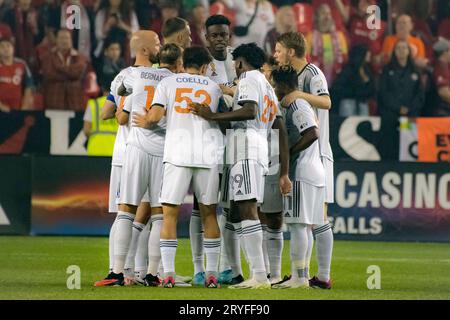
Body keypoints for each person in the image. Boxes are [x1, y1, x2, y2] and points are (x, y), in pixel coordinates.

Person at [191, 43, 291, 289]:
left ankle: (258, 275)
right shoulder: (267, 85)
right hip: (258, 149)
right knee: (243, 209)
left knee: (247, 209)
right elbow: (279, 128)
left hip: (246, 148)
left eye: (235, 64)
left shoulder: (247, 79)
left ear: (239, 63)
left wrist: (211, 116)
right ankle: (260, 272)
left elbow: (248, 111)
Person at [135, 46, 224, 288]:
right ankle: (212, 274)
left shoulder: (169, 83)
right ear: (205, 67)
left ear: (184, 62)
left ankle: (170, 274)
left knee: (169, 215)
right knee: (209, 215)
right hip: (207, 155)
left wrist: (145, 121)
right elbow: (223, 117)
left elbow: (154, 116)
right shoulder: (214, 87)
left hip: (177, 154)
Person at [97, 31, 161, 287]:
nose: (160, 46)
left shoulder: (122, 76)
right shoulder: (158, 77)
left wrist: (122, 106)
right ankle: (130, 271)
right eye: (156, 43)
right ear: (144, 49)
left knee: (128, 213)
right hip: (143, 150)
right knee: (144, 213)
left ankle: (125, 270)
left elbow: (106, 113)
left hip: (125, 150)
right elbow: (122, 117)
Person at [274, 32, 333, 289]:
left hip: (316, 152)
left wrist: (299, 96)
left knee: (316, 218)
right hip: (311, 156)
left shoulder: (312, 73)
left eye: (278, 50)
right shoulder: (291, 78)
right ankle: (313, 276)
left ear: (290, 51)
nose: (275, 54)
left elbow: (327, 102)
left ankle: (318, 274)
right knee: (312, 219)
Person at [41, 29, 88, 111]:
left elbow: (78, 74)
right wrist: (71, 75)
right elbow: (49, 75)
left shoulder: (79, 57)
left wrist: (58, 67)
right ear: (56, 40)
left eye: (67, 38)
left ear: (71, 40)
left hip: (75, 102)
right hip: (54, 101)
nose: (64, 41)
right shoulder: (47, 57)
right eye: (61, 38)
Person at [306, 3, 348, 86]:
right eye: (323, 13)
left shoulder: (340, 36)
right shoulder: (310, 37)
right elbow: (305, 60)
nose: (326, 16)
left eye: (328, 14)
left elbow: (345, 59)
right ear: (317, 18)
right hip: (316, 83)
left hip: (338, 82)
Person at [331, 44, 375, 116]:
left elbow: (371, 87)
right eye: (367, 52)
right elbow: (337, 87)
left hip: (362, 102)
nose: (369, 54)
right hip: (349, 102)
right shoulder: (349, 69)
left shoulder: (367, 69)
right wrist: (354, 92)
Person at [0, 37, 34, 112]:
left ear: (13, 49)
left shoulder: (22, 64)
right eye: (2, 46)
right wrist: (1, 107)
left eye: (8, 46)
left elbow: (29, 86)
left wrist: (24, 106)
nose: (6, 49)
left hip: (18, 108)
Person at [83, 88, 119, 156]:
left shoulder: (93, 104)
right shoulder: (119, 105)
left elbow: (86, 130)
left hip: (95, 149)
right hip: (114, 150)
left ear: (102, 89)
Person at [426, 38, 450, 117]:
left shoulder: (434, 64)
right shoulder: (441, 67)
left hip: (433, 109)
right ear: (445, 52)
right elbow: (444, 93)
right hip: (441, 111)